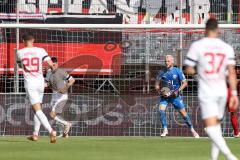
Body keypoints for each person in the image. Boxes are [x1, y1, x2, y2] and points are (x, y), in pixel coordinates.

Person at [185, 18, 238, 160]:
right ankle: (213, 158)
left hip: (207, 92)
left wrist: (199, 70)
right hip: (222, 92)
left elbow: (188, 69)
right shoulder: (227, 47)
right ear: (218, 30)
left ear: (205, 29)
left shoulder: (198, 46)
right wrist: (234, 93)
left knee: (211, 128)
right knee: (217, 127)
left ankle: (229, 156)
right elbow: (232, 72)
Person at [17, 33, 57, 143]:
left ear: (23, 41)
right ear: (33, 40)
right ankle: (35, 134)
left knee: (37, 110)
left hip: (30, 83)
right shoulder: (41, 50)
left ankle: (51, 131)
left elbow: (20, 65)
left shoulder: (19, 52)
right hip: (40, 82)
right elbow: (50, 64)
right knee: (37, 109)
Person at [155, 55, 199, 138]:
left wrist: (177, 91)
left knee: (183, 114)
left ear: (172, 62)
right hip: (165, 96)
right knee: (161, 110)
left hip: (175, 96)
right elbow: (157, 85)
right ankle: (165, 129)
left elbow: (185, 83)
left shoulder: (177, 71)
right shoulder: (161, 72)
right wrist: (160, 92)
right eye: (165, 61)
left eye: (168, 61)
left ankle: (193, 130)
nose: (166, 62)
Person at [43, 57, 75, 137]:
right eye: (51, 65)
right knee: (56, 116)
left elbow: (72, 80)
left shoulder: (61, 72)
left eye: (55, 64)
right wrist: (41, 85)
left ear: (57, 64)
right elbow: (47, 84)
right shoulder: (49, 72)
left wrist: (65, 88)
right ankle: (64, 133)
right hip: (54, 96)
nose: (53, 66)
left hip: (62, 97)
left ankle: (67, 124)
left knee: (52, 115)